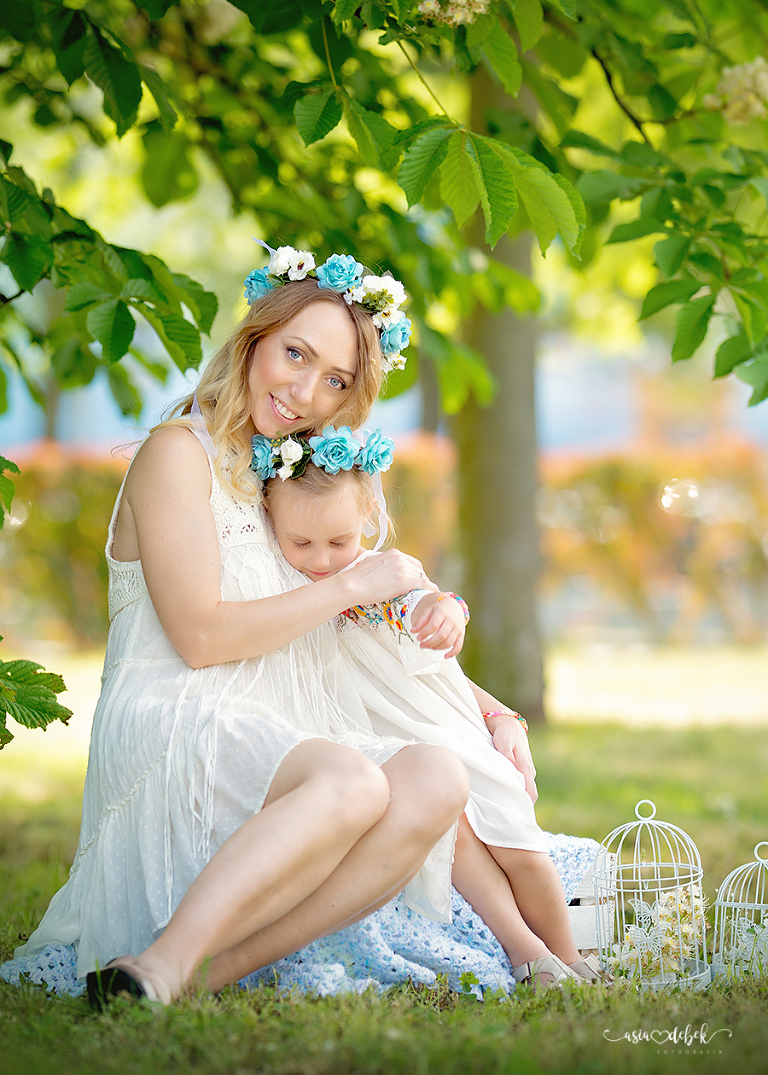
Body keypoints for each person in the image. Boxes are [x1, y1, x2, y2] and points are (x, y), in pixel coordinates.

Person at [13, 248, 472, 1008]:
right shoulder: (174, 455)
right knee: (353, 781)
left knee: (438, 778)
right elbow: (199, 638)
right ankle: (167, 960)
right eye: (296, 353)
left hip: (279, 729)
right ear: (255, 337)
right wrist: (351, 584)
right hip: (175, 712)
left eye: (336, 380)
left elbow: (377, 620)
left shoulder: (293, 478)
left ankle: (186, 975)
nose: (304, 391)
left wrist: (489, 703)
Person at [258, 445, 609, 989]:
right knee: (456, 839)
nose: (322, 559)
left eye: (339, 541)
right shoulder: (282, 592)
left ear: (368, 521)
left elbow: (422, 601)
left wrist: (444, 611)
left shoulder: (377, 577)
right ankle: (532, 958)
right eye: (301, 542)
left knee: (521, 848)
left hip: (446, 731)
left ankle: (571, 956)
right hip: (390, 747)